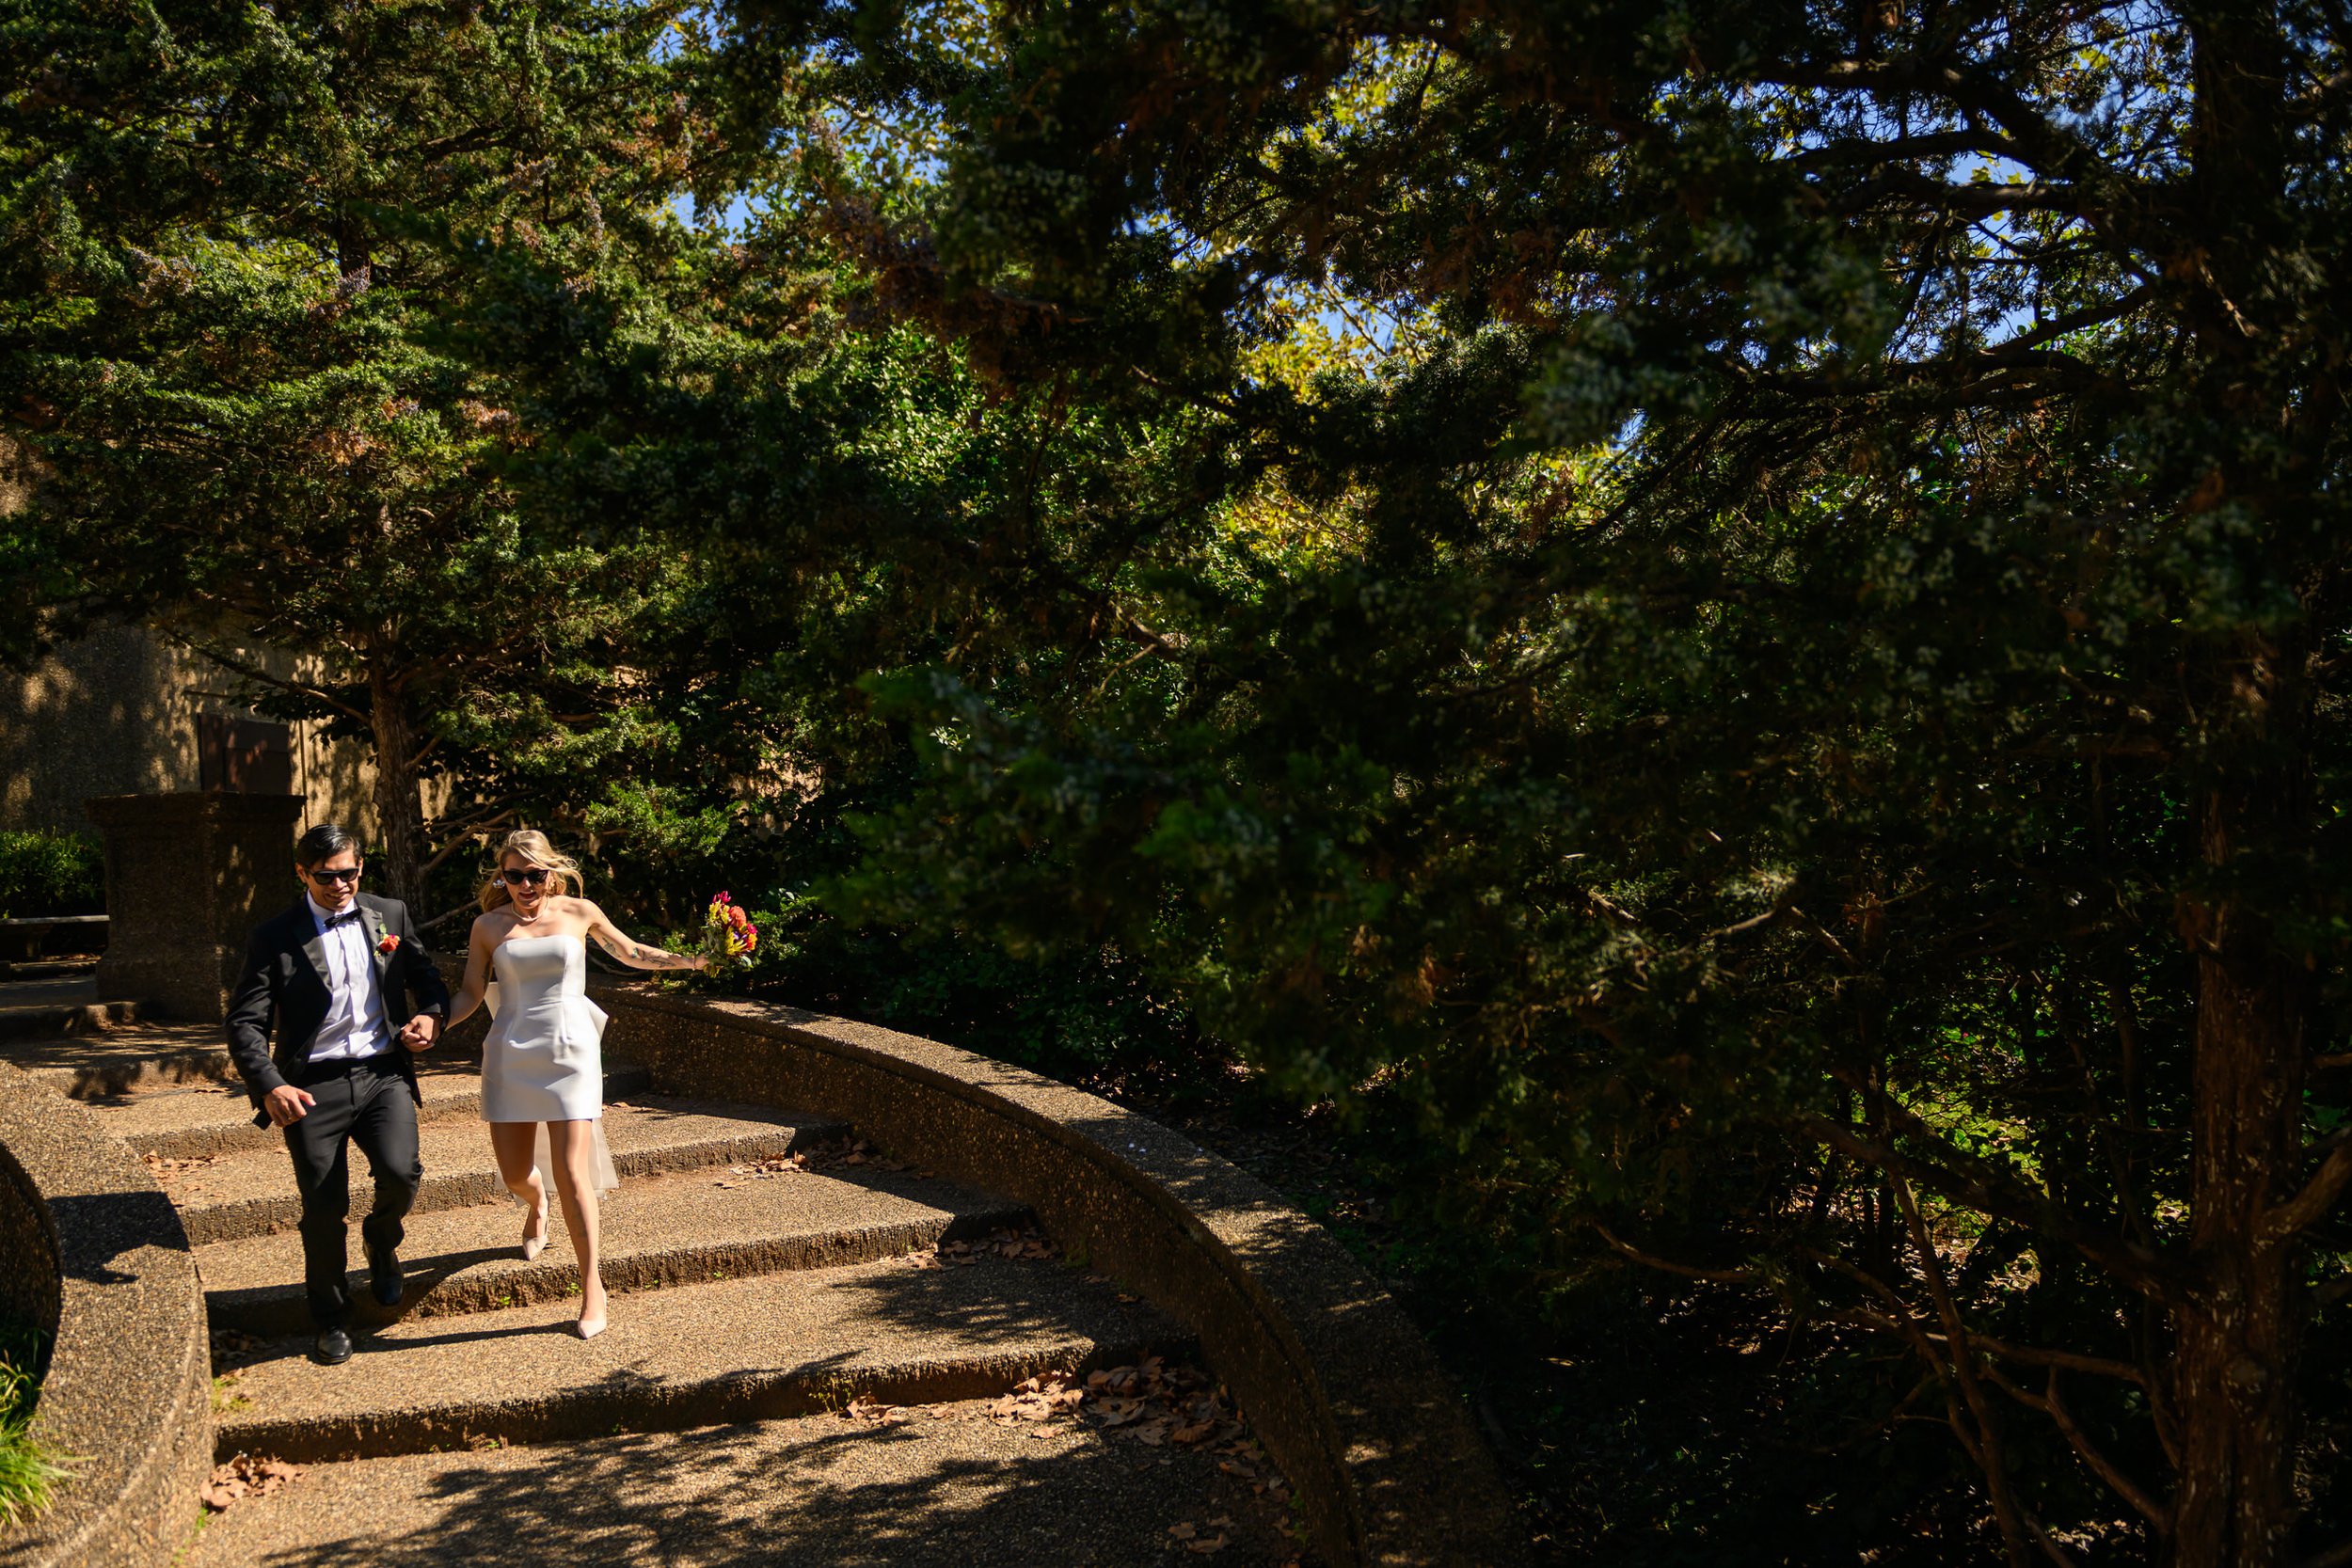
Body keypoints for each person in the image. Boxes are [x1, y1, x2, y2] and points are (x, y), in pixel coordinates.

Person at [441, 829, 707, 1338]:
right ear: (503, 877)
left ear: (552, 873)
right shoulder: (487, 926)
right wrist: (431, 1024)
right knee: (516, 1172)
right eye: (513, 876)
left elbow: (630, 953)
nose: (524, 884)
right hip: (510, 1054)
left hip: (571, 1054)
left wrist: (693, 961)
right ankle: (535, 1204)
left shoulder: (579, 912)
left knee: (571, 1171)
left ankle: (592, 1287)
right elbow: (471, 994)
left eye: (534, 874)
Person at [225, 823, 449, 1366]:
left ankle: (381, 1242)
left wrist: (430, 1016)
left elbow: (426, 976)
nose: (341, 884)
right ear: (302, 874)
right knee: (323, 1209)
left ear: (360, 868)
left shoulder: (388, 913)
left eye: (349, 872)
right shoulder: (274, 935)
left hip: (382, 1073)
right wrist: (270, 1084)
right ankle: (330, 1316)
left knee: (401, 1172)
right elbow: (243, 1023)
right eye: (327, 876)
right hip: (310, 1085)